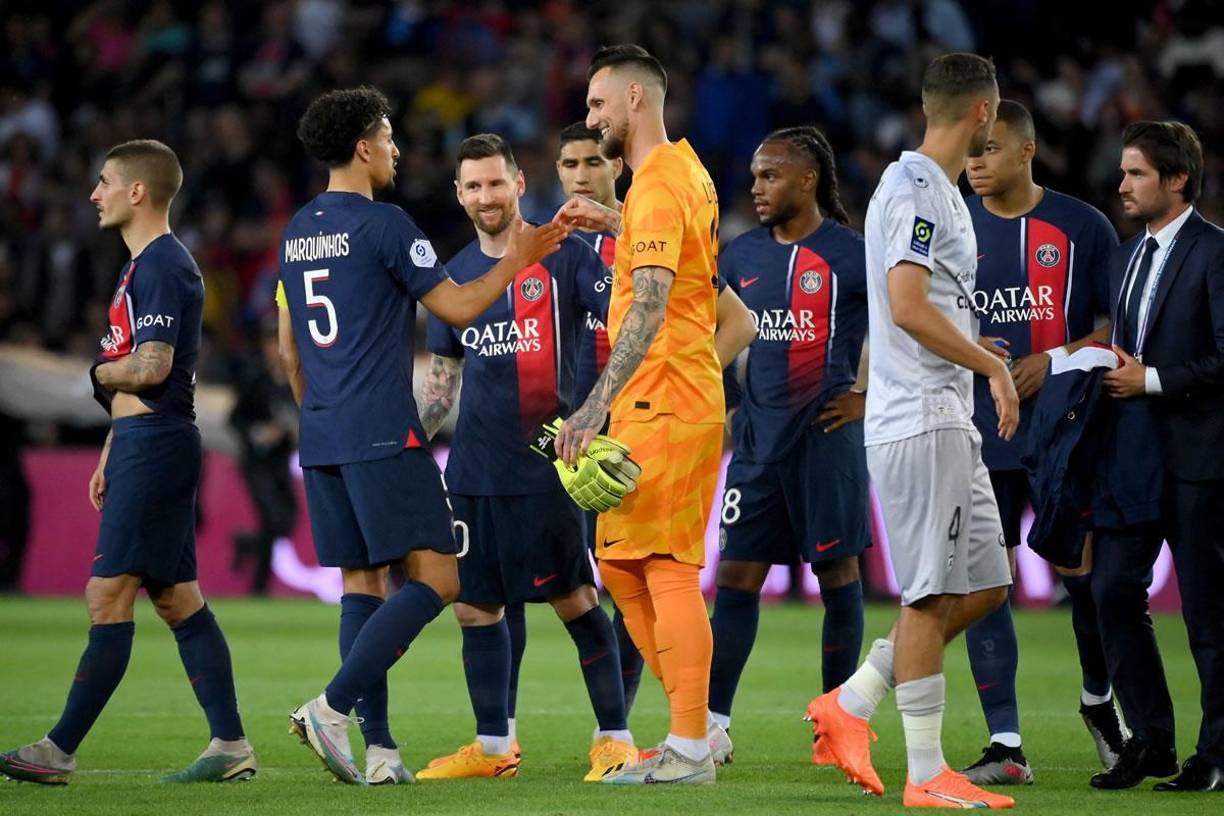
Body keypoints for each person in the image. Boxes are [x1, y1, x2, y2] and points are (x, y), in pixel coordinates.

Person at [278, 87, 565, 786]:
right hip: (381, 432)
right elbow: (462, 307)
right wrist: (520, 257)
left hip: (320, 432)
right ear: (363, 148)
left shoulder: (295, 231)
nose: (397, 149)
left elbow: (289, 352)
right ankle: (332, 707)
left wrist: (324, 415)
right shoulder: (385, 226)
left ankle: (378, 752)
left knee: (361, 584)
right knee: (440, 576)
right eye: (388, 135)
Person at [0, 140, 256, 784]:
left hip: (159, 445)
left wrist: (96, 372)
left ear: (137, 192)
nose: (94, 193)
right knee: (177, 600)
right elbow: (146, 379)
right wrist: (113, 445)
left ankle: (57, 749)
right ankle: (230, 745)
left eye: (105, 181)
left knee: (106, 594)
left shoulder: (163, 265)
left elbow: (152, 366)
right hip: (145, 443)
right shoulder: (142, 265)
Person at [804, 53, 1019, 809]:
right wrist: (989, 370)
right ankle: (927, 773)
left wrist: (972, 349)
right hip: (923, 421)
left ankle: (853, 701)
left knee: (989, 583)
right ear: (983, 114)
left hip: (945, 414)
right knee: (929, 598)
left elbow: (932, 310)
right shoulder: (920, 188)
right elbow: (906, 305)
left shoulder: (941, 194)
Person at [553, 43, 750, 785]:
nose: (590, 117)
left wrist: (591, 407)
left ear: (636, 100)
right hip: (665, 398)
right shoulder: (669, 179)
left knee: (663, 568)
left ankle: (693, 744)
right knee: (622, 568)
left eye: (599, 104)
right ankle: (690, 729)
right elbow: (680, 267)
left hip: (664, 397)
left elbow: (655, 303)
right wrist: (613, 221)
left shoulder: (662, 183)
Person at [415, 132, 636, 782]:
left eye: (495, 182)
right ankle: (492, 747)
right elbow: (442, 385)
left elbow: (624, 321)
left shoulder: (564, 257)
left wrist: (600, 409)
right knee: (474, 607)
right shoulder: (453, 275)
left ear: (517, 183)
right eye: (473, 186)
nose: (486, 196)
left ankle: (616, 739)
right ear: (460, 194)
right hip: (474, 473)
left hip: (547, 465)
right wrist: (404, 442)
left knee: (574, 599)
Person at [959, 99, 1126, 784]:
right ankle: (1004, 744)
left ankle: (1098, 701)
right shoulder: (949, 227)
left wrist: (1052, 360)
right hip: (975, 432)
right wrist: (968, 347)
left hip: (1065, 433)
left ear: (1027, 150)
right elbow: (916, 320)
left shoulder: (1080, 226)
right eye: (969, 151)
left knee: (1082, 577)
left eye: (989, 149)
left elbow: (1117, 324)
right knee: (983, 585)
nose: (975, 163)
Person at [707, 125, 870, 765]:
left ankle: (837, 723)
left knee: (838, 574)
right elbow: (705, 327)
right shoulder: (740, 256)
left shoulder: (853, 254)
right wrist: (724, 403)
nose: (757, 186)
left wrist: (867, 398)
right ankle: (715, 724)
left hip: (827, 440)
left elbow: (911, 327)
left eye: (771, 174)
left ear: (808, 179)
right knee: (737, 577)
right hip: (757, 444)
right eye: (754, 175)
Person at [1088, 120, 1224, 793]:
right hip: (1130, 460)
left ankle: (1217, 752)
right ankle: (1152, 739)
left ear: (1176, 180)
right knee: (1112, 591)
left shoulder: (1215, 252)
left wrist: (1153, 379)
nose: (1122, 185)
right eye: (1123, 172)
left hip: (1200, 460)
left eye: (1137, 172)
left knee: (1207, 612)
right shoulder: (1123, 256)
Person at [228, 317, 298, 596]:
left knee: (286, 521)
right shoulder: (256, 380)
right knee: (273, 519)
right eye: (271, 342)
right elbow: (235, 419)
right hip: (256, 464)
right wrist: (259, 433)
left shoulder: (296, 379)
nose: (277, 348)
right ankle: (259, 587)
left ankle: (247, 544)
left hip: (280, 462)